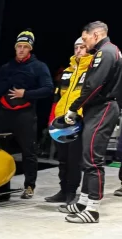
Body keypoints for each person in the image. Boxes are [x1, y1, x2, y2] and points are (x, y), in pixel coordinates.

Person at [62, 21, 122, 223]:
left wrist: (73, 107)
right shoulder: (109, 50)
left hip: (102, 108)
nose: (84, 42)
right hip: (99, 108)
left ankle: (93, 209)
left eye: (85, 37)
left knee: (93, 160)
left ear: (95, 34)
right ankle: (84, 201)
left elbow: (94, 86)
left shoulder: (105, 52)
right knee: (87, 157)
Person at [0, 29, 54, 199]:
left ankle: (29, 185)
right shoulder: (6, 67)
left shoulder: (39, 67)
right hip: (4, 112)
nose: (22, 49)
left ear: (30, 49)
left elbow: (48, 89)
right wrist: (6, 84)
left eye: (25, 46)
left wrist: (25, 93)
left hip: (24, 114)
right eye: (19, 46)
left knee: (29, 151)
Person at [45, 37, 91, 204]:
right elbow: (57, 97)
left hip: (78, 122)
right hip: (62, 121)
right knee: (62, 159)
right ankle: (63, 190)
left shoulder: (92, 71)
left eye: (82, 47)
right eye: (76, 47)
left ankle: (71, 192)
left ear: (89, 49)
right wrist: (52, 120)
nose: (78, 50)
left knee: (74, 160)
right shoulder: (67, 71)